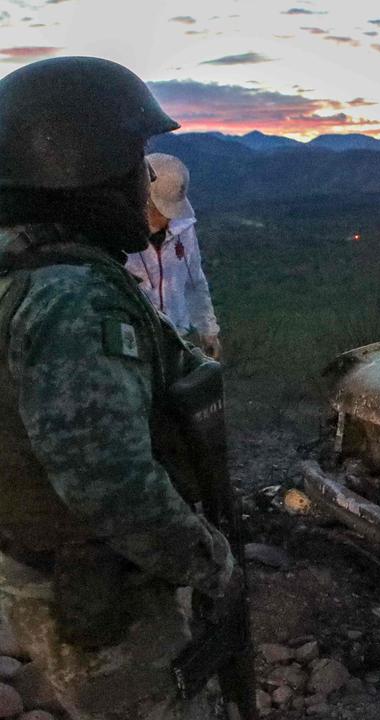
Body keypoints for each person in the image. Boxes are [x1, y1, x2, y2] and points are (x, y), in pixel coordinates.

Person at [0, 57, 238, 719]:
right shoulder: (72, 300)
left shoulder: (25, 269)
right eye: (135, 159)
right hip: (93, 590)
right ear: (80, 171)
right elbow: (113, 487)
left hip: (50, 568)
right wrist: (212, 560)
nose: (143, 180)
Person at [126, 153, 222, 359]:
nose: (167, 218)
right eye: (161, 211)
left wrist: (208, 331)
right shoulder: (118, 233)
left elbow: (194, 280)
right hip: (134, 337)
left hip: (176, 337)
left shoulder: (184, 227)